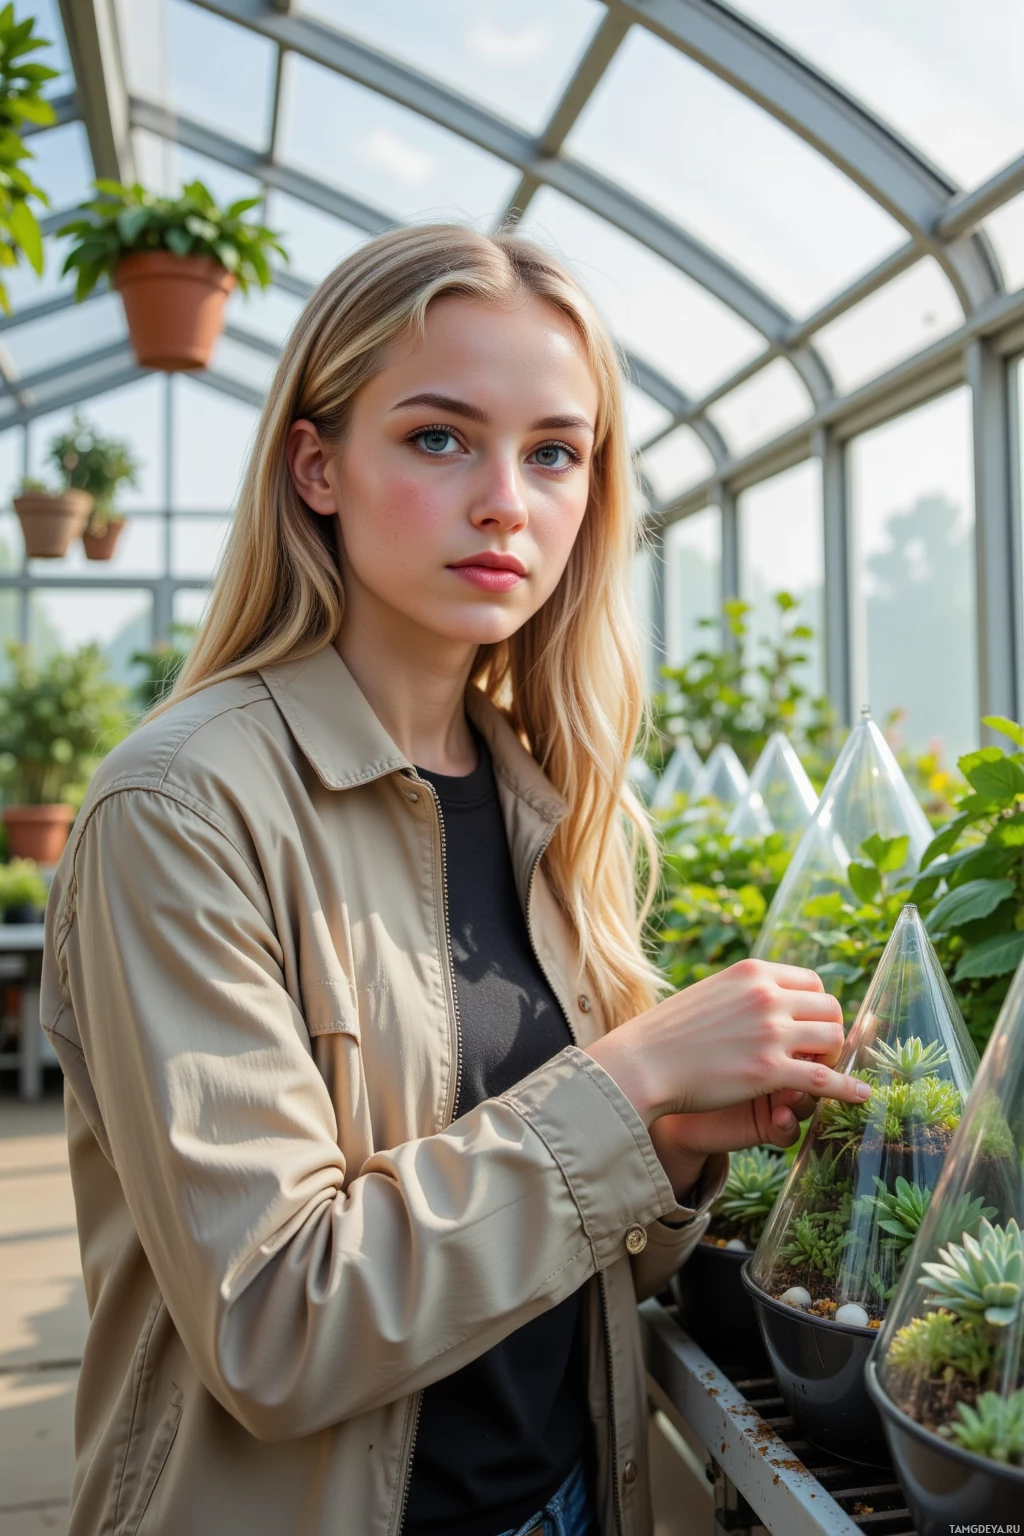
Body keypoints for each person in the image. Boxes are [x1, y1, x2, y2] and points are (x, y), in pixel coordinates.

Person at [41, 224, 867, 1536]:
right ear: (317, 467)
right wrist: (630, 1078)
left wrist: (674, 1148)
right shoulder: (186, 805)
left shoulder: (543, 790)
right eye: (439, 438)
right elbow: (277, 1324)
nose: (507, 502)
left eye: (555, 453)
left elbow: (568, 1261)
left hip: (570, 1498)